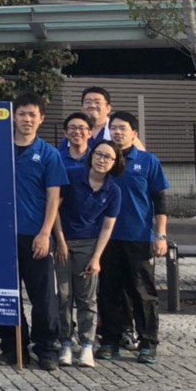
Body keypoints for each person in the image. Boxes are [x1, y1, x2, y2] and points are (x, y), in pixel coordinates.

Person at [0, 93, 66, 370]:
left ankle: (47, 349)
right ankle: (12, 347)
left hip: (34, 235)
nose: (26, 119)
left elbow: (53, 198)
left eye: (32, 115)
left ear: (41, 119)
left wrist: (45, 233)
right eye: (22, 113)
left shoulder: (49, 154)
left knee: (44, 296)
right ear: (14, 117)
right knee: (5, 294)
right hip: (0, 234)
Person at [97, 111, 170, 364]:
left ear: (134, 133)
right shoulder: (102, 159)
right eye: (114, 128)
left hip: (138, 236)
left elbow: (160, 201)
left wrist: (160, 235)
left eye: (122, 128)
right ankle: (109, 341)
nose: (117, 132)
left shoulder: (148, 162)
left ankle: (148, 342)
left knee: (142, 292)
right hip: (106, 238)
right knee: (109, 291)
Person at [55, 140, 123, 369]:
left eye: (108, 157)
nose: (102, 160)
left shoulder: (113, 190)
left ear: (115, 163)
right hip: (62, 241)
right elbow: (54, 209)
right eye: (99, 155)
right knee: (63, 295)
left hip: (89, 244)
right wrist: (61, 242)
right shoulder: (72, 175)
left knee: (87, 297)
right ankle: (65, 341)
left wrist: (97, 258)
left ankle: (86, 345)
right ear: (91, 155)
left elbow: (107, 227)